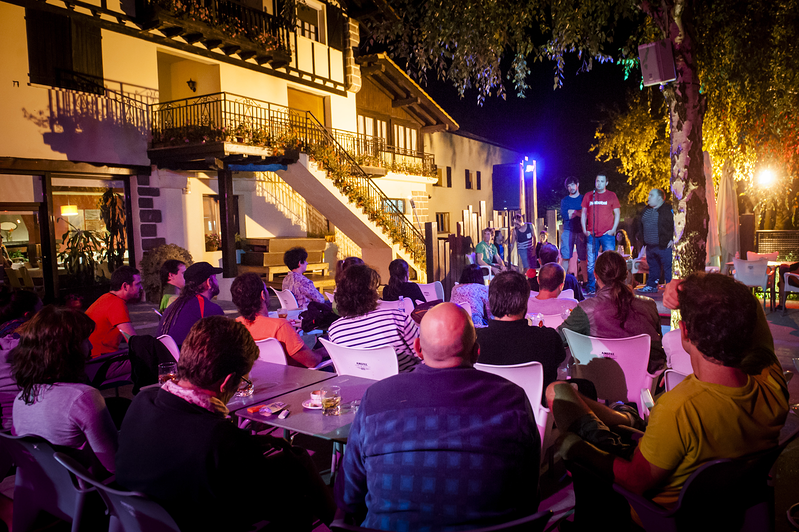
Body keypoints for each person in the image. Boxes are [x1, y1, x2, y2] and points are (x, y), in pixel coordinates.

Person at [547, 273, 788, 526]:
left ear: (684, 331)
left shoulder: (680, 408)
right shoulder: (771, 384)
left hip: (651, 514)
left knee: (561, 399)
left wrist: (579, 447)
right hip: (720, 506)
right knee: (573, 397)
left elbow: (634, 481)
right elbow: (752, 310)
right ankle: (623, 418)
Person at [117, 316, 336, 531]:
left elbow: (182, 443)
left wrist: (246, 444)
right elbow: (267, 500)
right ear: (227, 382)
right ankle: (339, 522)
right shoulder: (217, 438)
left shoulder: (141, 403)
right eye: (242, 379)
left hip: (142, 519)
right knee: (298, 480)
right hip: (203, 520)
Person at [336, 303, 540, 531]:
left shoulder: (376, 399)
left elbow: (348, 497)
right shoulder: (512, 400)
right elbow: (528, 496)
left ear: (418, 348)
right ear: (476, 351)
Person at [11, 306, 118, 476]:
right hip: (89, 494)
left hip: (41, 493)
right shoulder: (82, 398)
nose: (90, 345)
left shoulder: (20, 400)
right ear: (67, 349)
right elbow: (114, 465)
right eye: (85, 339)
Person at [558, 251, 666, 373]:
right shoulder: (649, 305)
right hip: (644, 383)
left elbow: (558, 339)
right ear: (626, 275)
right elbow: (658, 346)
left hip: (599, 382)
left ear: (595, 275)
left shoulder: (586, 309)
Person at [477, 271, 567, 391]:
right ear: (525, 302)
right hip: (533, 408)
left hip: (487, 408)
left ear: (491, 300)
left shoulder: (473, 341)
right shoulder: (548, 338)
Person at [328, 264, 420, 373]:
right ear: (370, 293)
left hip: (361, 387)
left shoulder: (335, 330)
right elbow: (423, 356)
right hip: (405, 385)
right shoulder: (396, 319)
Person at [230, 272, 322, 368]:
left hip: (258, 379)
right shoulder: (280, 327)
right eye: (266, 290)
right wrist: (323, 352)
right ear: (263, 295)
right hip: (294, 379)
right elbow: (312, 361)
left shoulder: (236, 326)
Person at [157, 262, 224, 347]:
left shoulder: (173, 306)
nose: (217, 281)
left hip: (168, 357)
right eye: (215, 278)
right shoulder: (210, 309)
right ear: (208, 282)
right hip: (190, 358)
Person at [85, 265, 142, 357]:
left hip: (91, 356)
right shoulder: (117, 304)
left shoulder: (106, 298)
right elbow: (132, 340)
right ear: (125, 286)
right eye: (138, 284)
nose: (141, 288)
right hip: (100, 359)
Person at [581, 174, 620, 294]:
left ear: (606, 183)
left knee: (610, 261)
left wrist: (613, 229)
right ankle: (592, 288)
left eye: (602, 181)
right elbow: (583, 213)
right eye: (597, 181)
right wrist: (584, 229)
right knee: (591, 263)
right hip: (592, 234)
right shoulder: (589, 195)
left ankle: (610, 288)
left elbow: (617, 213)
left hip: (607, 234)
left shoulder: (611, 195)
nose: (599, 183)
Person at [634, 188, 674, 294]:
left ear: (660, 198)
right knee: (653, 267)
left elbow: (676, 225)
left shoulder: (668, 210)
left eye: (651, 195)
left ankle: (671, 290)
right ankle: (652, 285)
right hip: (650, 246)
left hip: (664, 245)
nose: (648, 197)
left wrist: (673, 239)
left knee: (668, 269)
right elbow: (641, 225)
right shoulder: (646, 210)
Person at [560, 176, 587, 281]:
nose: (570, 187)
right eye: (568, 186)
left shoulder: (583, 199)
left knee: (583, 258)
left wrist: (574, 212)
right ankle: (562, 282)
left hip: (581, 230)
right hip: (568, 230)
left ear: (577, 184)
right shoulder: (565, 201)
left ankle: (586, 282)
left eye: (572, 184)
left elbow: (587, 214)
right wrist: (579, 212)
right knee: (565, 257)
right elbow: (565, 215)